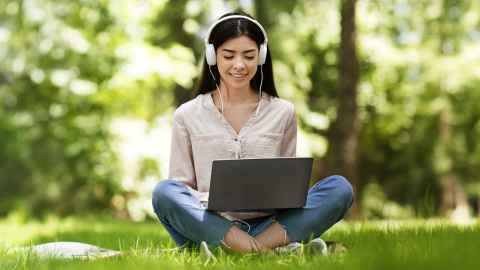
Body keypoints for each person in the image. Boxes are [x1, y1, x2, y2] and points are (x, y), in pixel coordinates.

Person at [152, 11, 353, 255]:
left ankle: (238, 249)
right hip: (210, 224)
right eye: (229, 56)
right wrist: (210, 203)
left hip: (271, 224)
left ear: (261, 56)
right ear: (213, 56)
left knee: (340, 189)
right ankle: (270, 250)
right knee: (164, 192)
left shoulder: (283, 112)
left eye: (249, 56)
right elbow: (181, 190)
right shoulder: (187, 114)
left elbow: (287, 187)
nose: (239, 65)